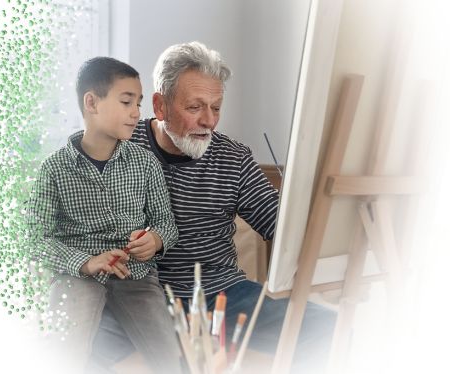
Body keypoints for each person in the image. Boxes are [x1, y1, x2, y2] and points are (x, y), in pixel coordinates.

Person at [92, 41, 335, 372]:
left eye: (216, 107)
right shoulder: (114, 146)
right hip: (136, 298)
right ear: (160, 106)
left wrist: (304, 208)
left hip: (223, 294)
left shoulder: (234, 158)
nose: (209, 121)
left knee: (326, 326)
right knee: (82, 334)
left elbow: (279, 227)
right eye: (195, 108)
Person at [28, 57, 182, 373]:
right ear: (91, 103)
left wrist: (153, 240)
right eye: (127, 102)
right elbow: (34, 239)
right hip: (78, 276)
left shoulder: (146, 164)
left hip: (136, 275)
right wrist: (85, 262)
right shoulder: (54, 170)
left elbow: (166, 223)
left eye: (138, 103)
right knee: (62, 354)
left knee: (170, 358)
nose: (137, 113)